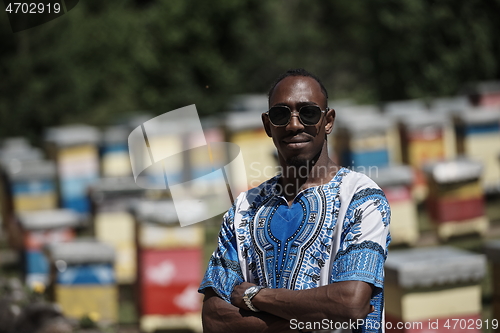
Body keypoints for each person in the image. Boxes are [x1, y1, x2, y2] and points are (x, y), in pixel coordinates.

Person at [198, 68, 391, 333]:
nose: (294, 124)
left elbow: (350, 304)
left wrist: (255, 296)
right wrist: (316, 318)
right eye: (281, 114)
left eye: (308, 112)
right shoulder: (243, 210)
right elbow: (214, 319)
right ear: (268, 125)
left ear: (328, 121)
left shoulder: (361, 198)